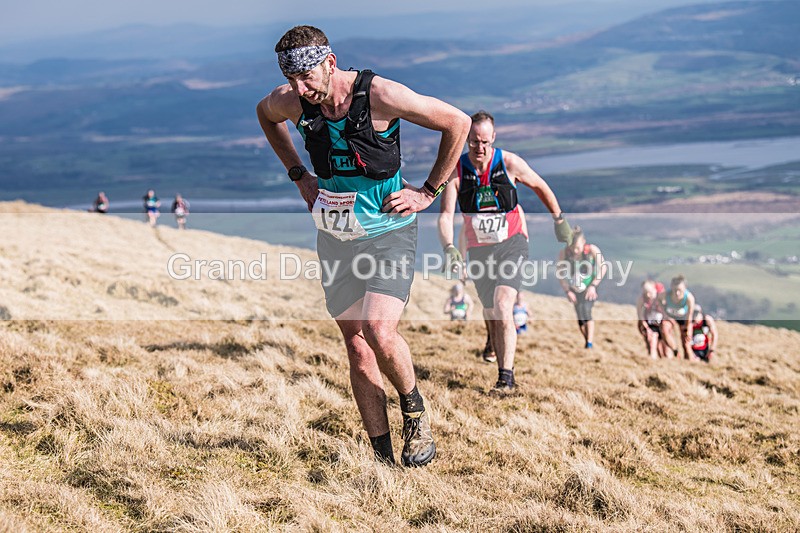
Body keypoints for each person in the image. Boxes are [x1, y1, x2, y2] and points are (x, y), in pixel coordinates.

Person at [256, 25, 470, 466]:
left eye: (307, 79)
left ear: (330, 64)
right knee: (355, 346)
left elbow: (457, 123)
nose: (300, 90)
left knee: (378, 329)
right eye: (292, 80)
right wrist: (299, 175)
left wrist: (428, 192)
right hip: (336, 235)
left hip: (388, 229)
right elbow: (265, 113)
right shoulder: (293, 99)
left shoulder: (379, 95)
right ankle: (383, 459)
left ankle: (414, 411)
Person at [438, 110, 572, 392]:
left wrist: (559, 220)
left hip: (512, 242)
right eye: (474, 142)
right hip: (479, 250)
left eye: (485, 142)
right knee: (490, 310)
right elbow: (446, 215)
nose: (480, 148)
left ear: (493, 139)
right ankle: (492, 338)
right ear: (466, 139)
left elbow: (540, 186)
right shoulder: (457, 170)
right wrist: (450, 247)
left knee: (502, 306)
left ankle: (506, 379)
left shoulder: (509, 163)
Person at [558, 227, 606, 349]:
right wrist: (567, 290)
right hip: (574, 289)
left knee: (586, 311)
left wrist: (593, 286)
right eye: (572, 247)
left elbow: (603, 267)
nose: (575, 250)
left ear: (583, 241)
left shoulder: (592, 250)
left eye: (578, 247)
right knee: (580, 317)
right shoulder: (564, 253)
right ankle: (587, 342)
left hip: (590, 287)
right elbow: (560, 273)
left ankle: (589, 344)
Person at [660, 274, 696, 360]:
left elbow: (689, 315)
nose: (677, 293)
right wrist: (664, 313)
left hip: (684, 318)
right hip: (670, 316)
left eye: (680, 290)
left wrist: (687, 329)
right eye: (675, 290)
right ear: (671, 287)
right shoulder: (666, 294)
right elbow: (658, 299)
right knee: (664, 330)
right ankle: (675, 351)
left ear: (685, 289)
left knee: (686, 342)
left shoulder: (689, 298)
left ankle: (690, 362)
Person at [636, 280, 674, 359]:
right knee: (652, 344)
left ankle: (669, 362)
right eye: (645, 292)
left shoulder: (662, 298)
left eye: (649, 292)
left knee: (666, 347)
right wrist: (646, 327)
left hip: (663, 325)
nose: (648, 295)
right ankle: (652, 362)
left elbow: (669, 312)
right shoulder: (642, 299)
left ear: (655, 289)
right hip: (651, 325)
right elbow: (640, 315)